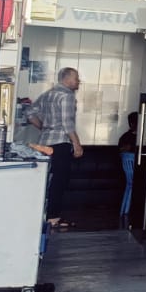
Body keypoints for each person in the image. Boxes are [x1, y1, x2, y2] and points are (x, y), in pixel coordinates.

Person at [26, 67, 84, 226]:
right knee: (59, 180)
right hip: (60, 144)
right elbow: (67, 123)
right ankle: (53, 218)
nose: (78, 81)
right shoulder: (67, 96)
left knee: (46, 179)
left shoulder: (47, 94)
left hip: (44, 143)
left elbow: (30, 113)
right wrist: (77, 144)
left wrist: (44, 127)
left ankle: (41, 215)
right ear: (67, 79)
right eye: (76, 78)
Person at [117, 112, 138, 226]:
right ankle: (129, 213)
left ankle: (124, 212)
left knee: (129, 184)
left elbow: (120, 151)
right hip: (136, 175)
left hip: (124, 174)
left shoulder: (124, 137)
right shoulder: (139, 139)